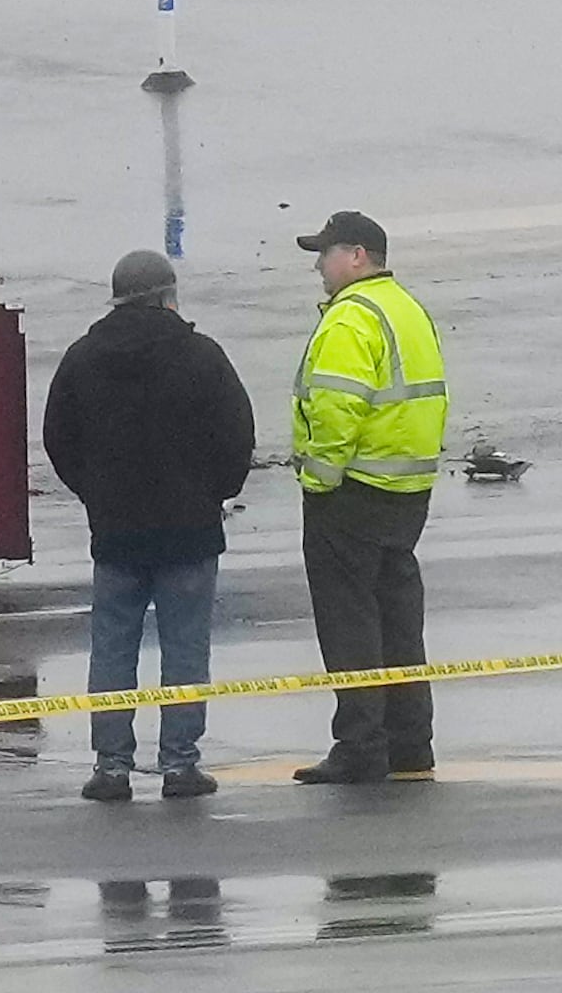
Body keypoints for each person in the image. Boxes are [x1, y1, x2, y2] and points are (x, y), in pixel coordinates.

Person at [41, 248, 256, 800]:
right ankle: (180, 766)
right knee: (186, 648)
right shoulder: (203, 356)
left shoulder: (82, 358)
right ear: (168, 296)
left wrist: (95, 494)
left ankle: (111, 768)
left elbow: (57, 439)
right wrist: (216, 494)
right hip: (190, 531)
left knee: (112, 649)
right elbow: (238, 436)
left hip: (115, 532)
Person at [288, 212, 449, 784]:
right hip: (407, 491)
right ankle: (411, 742)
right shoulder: (407, 309)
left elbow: (337, 408)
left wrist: (320, 480)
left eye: (325, 254)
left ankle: (360, 744)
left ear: (357, 255)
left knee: (349, 620)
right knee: (399, 618)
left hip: (352, 493)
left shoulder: (351, 319)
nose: (318, 266)